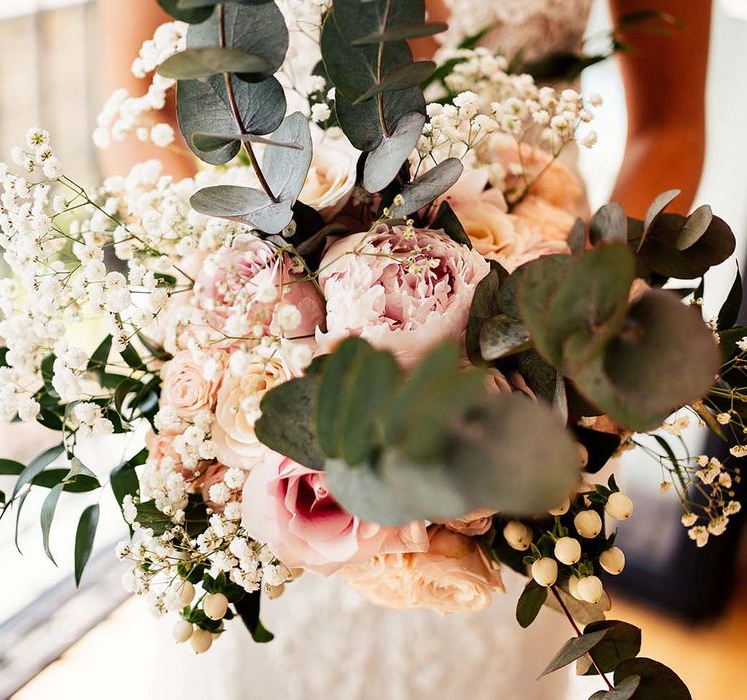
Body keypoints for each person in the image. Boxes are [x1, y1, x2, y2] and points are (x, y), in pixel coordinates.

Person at [98, 1, 712, 698]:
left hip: (524, 396)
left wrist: (566, 323)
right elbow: (140, 116)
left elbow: (670, 122)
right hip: (272, 400)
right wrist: (246, 305)